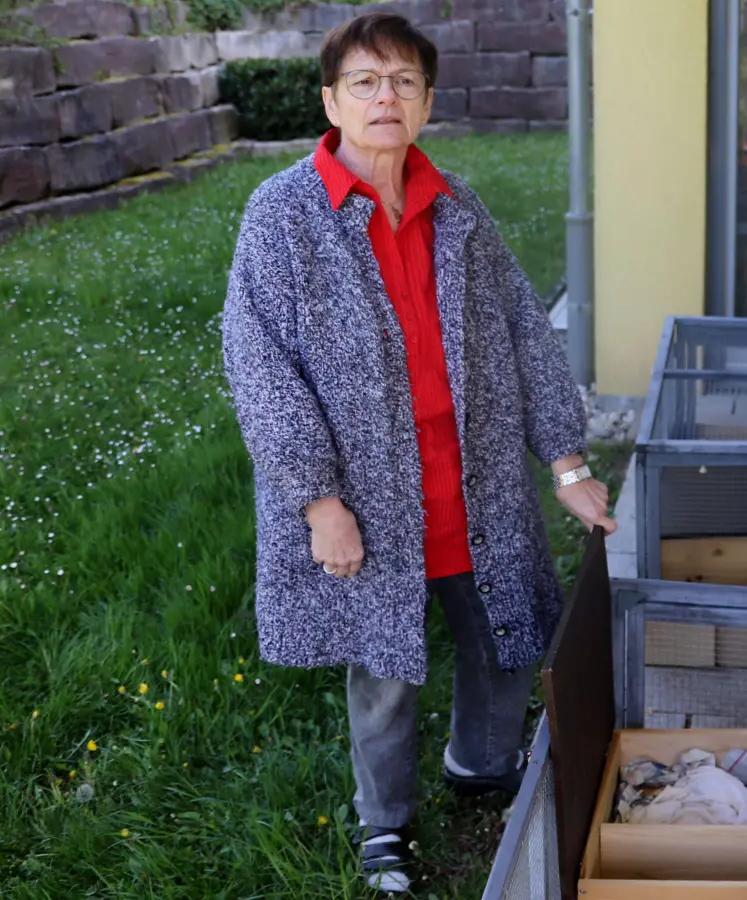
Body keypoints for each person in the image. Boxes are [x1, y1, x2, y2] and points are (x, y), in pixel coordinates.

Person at [219, 12, 617, 894]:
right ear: (330, 99)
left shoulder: (457, 206)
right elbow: (259, 367)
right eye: (364, 82)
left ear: (429, 101)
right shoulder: (282, 215)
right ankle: (384, 825)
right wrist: (317, 500)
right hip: (369, 498)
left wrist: (567, 462)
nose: (384, 98)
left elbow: (524, 328)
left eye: (402, 81)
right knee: (387, 673)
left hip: (472, 483)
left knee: (506, 637)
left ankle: (479, 763)